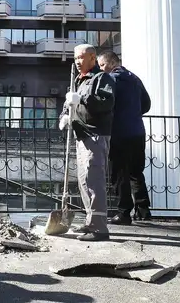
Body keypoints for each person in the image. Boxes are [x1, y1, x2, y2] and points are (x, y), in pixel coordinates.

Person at [58, 44, 115, 241]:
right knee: (84, 181)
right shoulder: (79, 80)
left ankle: (99, 229)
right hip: (81, 135)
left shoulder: (102, 78)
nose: (77, 61)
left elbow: (106, 102)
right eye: (75, 58)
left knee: (94, 180)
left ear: (92, 57)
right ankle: (91, 222)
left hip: (95, 134)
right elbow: (70, 102)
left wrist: (81, 98)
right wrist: (65, 115)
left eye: (81, 57)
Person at [97, 51, 152, 224]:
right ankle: (143, 211)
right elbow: (147, 103)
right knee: (136, 172)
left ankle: (123, 213)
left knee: (119, 173)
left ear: (111, 63)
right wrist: (134, 115)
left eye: (102, 65)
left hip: (119, 132)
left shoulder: (110, 80)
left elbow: (103, 104)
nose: (101, 69)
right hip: (137, 131)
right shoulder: (135, 78)